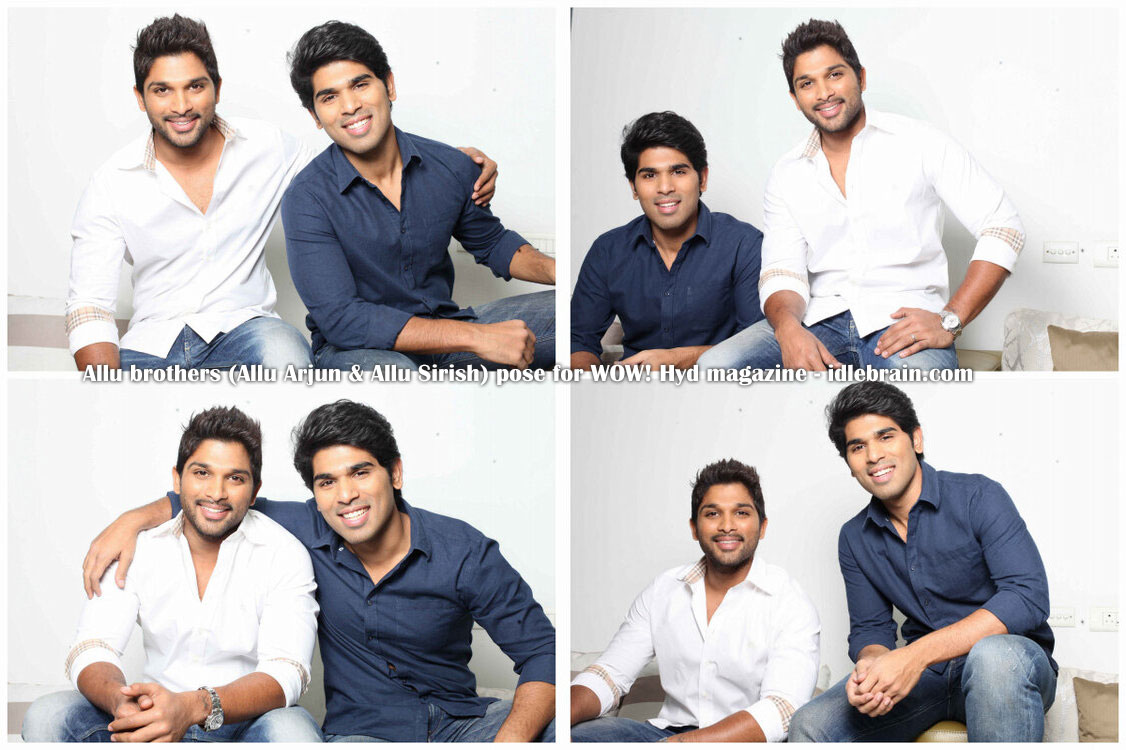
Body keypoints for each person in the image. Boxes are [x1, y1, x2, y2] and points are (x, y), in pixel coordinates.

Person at [81, 400, 556, 742]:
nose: (345, 495)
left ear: (395, 473)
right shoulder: (300, 526)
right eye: (327, 482)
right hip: (364, 735)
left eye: (361, 472)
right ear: (315, 492)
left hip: (465, 725)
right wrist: (132, 520)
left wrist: (509, 742)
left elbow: (541, 651)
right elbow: (213, 503)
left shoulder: (463, 550)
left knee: (601, 733)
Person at [65, 15, 498, 373]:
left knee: (289, 360)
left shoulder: (269, 148)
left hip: (248, 330)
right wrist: (108, 390)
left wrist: (454, 165)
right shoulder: (110, 183)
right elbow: (89, 306)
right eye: (162, 90)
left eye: (195, 86)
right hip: (151, 344)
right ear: (140, 98)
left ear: (216, 86)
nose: (181, 105)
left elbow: (349, 161)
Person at [697, 19, 1024, 372]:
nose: (823, 93)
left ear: (861, 78)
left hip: (901, 321)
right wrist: (789, 329)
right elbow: (781, 271)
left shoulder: (921, 143)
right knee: (714, 367)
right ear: (795, 98)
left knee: (925, 388)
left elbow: (1003, 227)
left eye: (834, 75)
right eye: (807, 83)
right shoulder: (786, 172)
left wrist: (951, 319)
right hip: (818, 321)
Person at [21, 407, 321, 742]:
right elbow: (94, 645)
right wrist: (121, 701)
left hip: (243, 723)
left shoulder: (283, 553)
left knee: (293, 732)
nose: (216, 492)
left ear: (254, 492)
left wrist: (194, 706)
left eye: (235, 478)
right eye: (202, 473)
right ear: (177, 480)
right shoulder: (139, 547)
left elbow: (286, 672)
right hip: (149, 712)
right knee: (48, 716)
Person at [281, 22, 556, 372]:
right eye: (330, 97)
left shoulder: (449, 166)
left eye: (360, 84)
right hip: (356, 351)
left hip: (448, 332)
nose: (350, 106)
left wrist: (562, 271)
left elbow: (493, 244)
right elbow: (343, 320)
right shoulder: (307, 198)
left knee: (582, 309)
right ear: (315, 116)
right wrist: (477, 338)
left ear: (389, 85)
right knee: (400, 375)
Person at [789, 382, 1056, 741]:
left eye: (885, 437)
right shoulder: (854, 537)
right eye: (858, 447)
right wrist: (874, 667)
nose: (873, 456)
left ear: (916, 439)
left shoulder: (978, 496)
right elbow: (871, 630)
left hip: (1008, 666)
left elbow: (1027, 596)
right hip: (928, 680)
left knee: (991, 658)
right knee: (810, 724)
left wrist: (914, 656)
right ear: (850, 464)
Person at [571, 459, 819, 742]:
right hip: (663, 734)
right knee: (577, 733)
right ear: (694, 527)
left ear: (762, 526)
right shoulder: (664, 589)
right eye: (712, 513)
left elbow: (782, 709)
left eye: (741, 513)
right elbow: (609, 676)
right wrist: (554, 716)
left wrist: (682, 745)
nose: (727, 526)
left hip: (743, 739)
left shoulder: (788, 601)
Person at [570, 113, 763, 370]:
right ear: (634, 187)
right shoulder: (608, 251)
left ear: (702, 178)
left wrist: (681, 360)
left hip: (720, 388)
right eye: (649, 175)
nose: (664, 187)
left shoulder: (744, 244)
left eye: (678, 171)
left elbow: (759, 344)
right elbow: (578, 340)